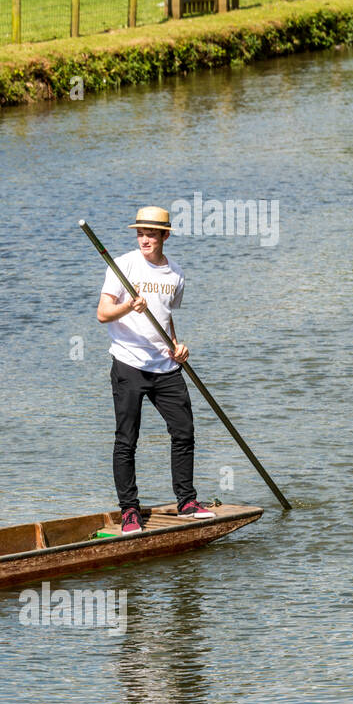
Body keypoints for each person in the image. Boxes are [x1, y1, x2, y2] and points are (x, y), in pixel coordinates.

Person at [96, 205, 214, 534]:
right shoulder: (122, 266)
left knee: (184, 431)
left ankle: (187, 502)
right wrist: (127, 306)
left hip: (165, 366)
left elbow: (165, 316)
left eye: (151, 233)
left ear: (165, 235)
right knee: (126, 439)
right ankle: (130, 511)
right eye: (140, 233)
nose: (144, 239)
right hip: (128, 364)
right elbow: (103, 313)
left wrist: (177, 345)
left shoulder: (175, 274)